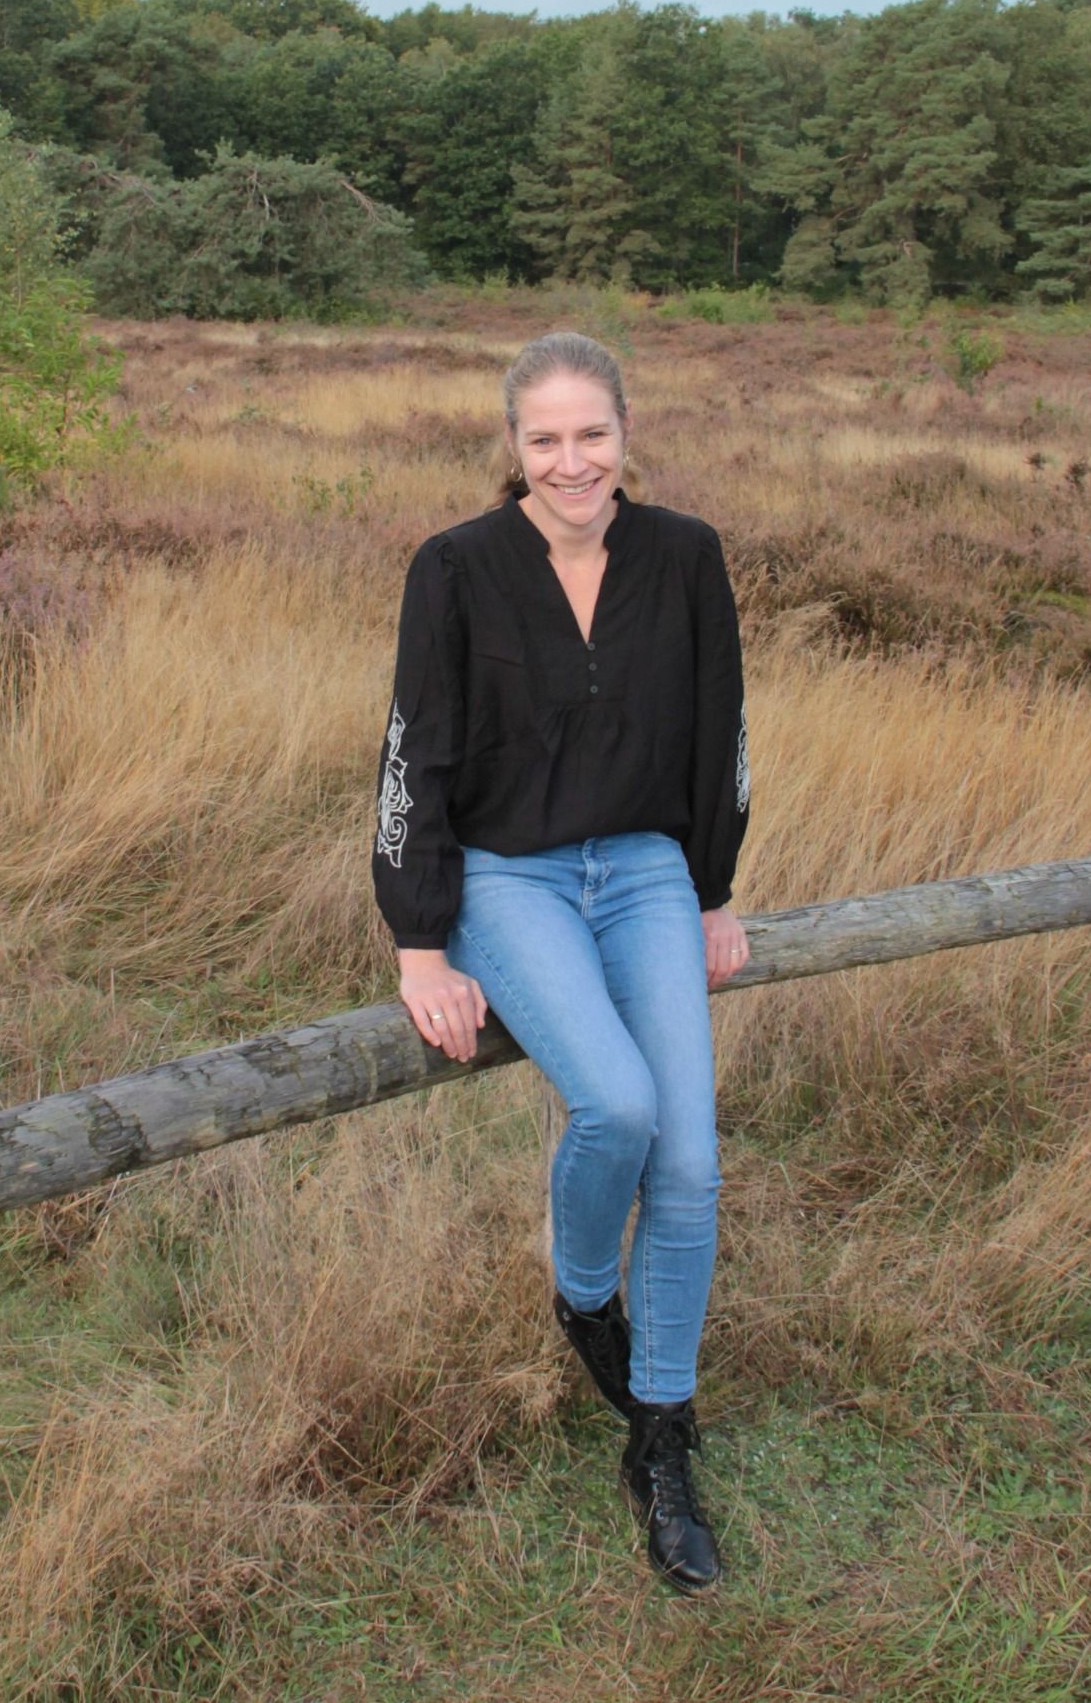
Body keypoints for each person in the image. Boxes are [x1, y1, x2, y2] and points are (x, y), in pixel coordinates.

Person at [371, 330, 751, 1594]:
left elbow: (720, 728)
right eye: (546, 438)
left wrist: (710, 891)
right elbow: (415, 751)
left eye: (593, 433)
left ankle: (661, 1437)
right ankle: (587, 1294)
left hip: (643, 868)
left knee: (689, 1166)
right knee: (622, 1106)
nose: (572, 461)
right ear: (513, 445)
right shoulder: (455, 567)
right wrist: (421, 941)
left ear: (627, 433)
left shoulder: (686, 556)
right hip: (509, 877)